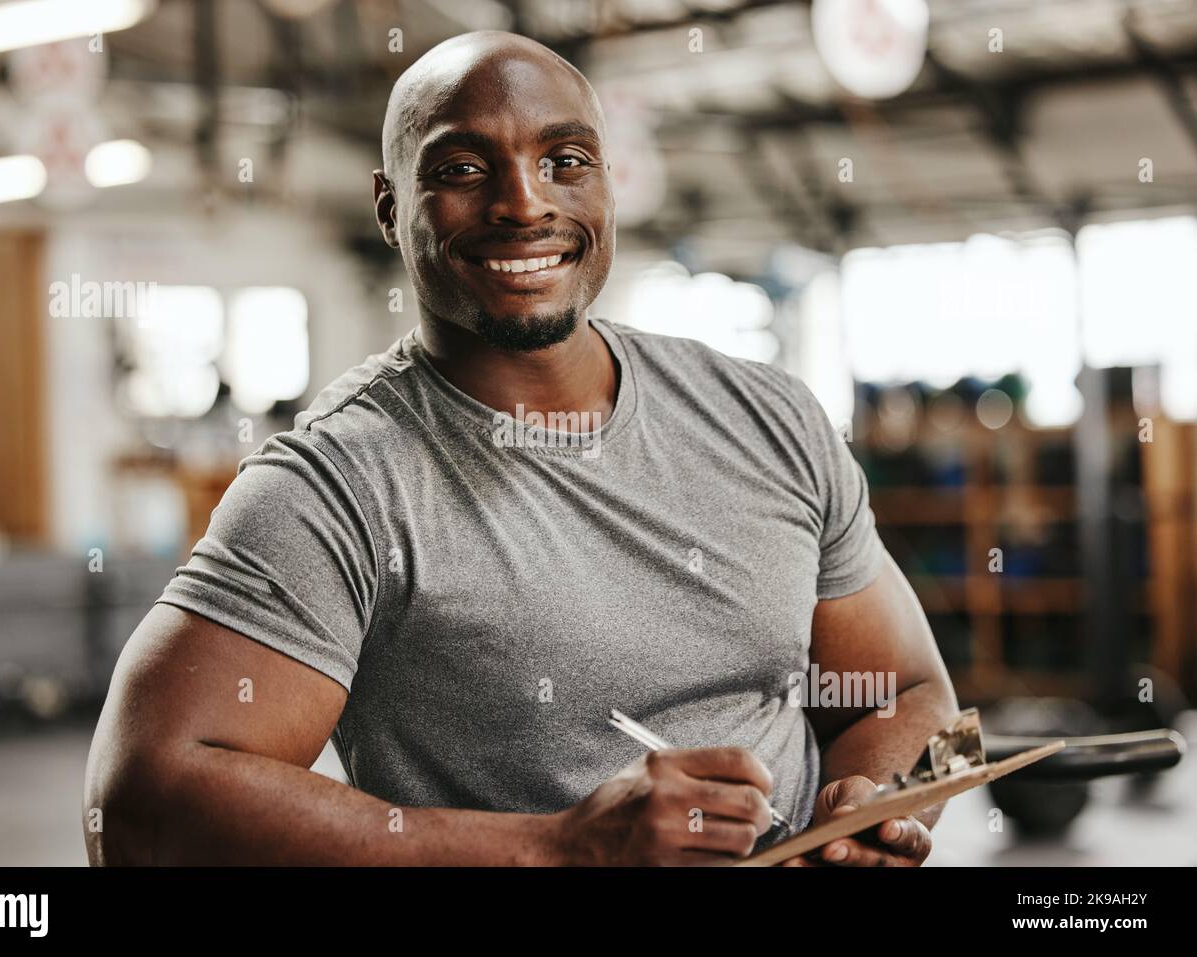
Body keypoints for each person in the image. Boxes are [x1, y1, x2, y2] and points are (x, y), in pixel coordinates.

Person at [84, 30, 957, 866]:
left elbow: (909, 693)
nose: (525, 204)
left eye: (564, 161)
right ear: (389, 207)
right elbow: (137, 804)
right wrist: (562, 851)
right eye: (463, 170)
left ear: (608, 184)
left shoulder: (770, 417)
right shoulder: (333, 486)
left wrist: (874, 805)